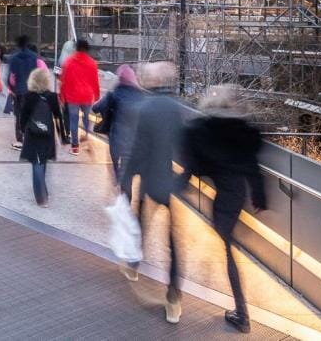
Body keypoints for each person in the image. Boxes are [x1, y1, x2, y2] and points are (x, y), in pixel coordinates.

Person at [181, 85, 266, 334]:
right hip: (236, 194)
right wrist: (259, 195)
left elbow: (197, 165)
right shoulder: (242, 131)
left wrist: (181, 180)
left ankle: (243, 314)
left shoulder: (204, 130)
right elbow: (252, 166)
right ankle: (241, 312)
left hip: (225, 198)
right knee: (226, 243)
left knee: (228, 248)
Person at [121, 61, 185, 324]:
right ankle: (174, 298)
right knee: (172, 241)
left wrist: (126, 177)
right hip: (169, 181)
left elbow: (138, 148)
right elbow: (182, 144)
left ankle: (133, 266)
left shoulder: (146, 107)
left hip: (149, 178)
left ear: (153, 81)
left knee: (141, 224)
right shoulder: (176, 108)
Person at [18, 67, 69, 206]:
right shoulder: (52, 97)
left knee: (36, 163)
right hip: (47, 134)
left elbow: (23, 117)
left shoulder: (29, 96)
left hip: (32, 134)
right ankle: (43, 194)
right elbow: (58, 117)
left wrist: (23, 131)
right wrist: (63, 137)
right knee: (43, 162)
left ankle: (41, 198)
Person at [92, 63, 145, 187]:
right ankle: (125, 189)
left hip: (117, 136)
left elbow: (96, 108)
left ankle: (117, 180)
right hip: (134, 137)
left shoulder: (114, 94)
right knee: (127, 167)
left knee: (115, 161)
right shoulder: (141, 95)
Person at [59, 38, 100, 154]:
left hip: (72, 96)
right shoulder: (92, 63)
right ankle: (87, 138)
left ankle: (75, 146)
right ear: (87, 49)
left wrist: (62, 96)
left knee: (73, 120)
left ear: (76, 48)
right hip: (87, 95)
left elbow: (64, 81)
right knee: (87, 118)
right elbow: (95, 81)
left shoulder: (68, 62)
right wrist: (97, 95)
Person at [7, 36, 39, 150]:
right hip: (31, 90)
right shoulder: (34, 57)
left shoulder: (14, 57)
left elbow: (10, 77)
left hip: (19, 91)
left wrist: (12, 88)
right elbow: (36, 74)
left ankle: (20, 140)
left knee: (19, 114)